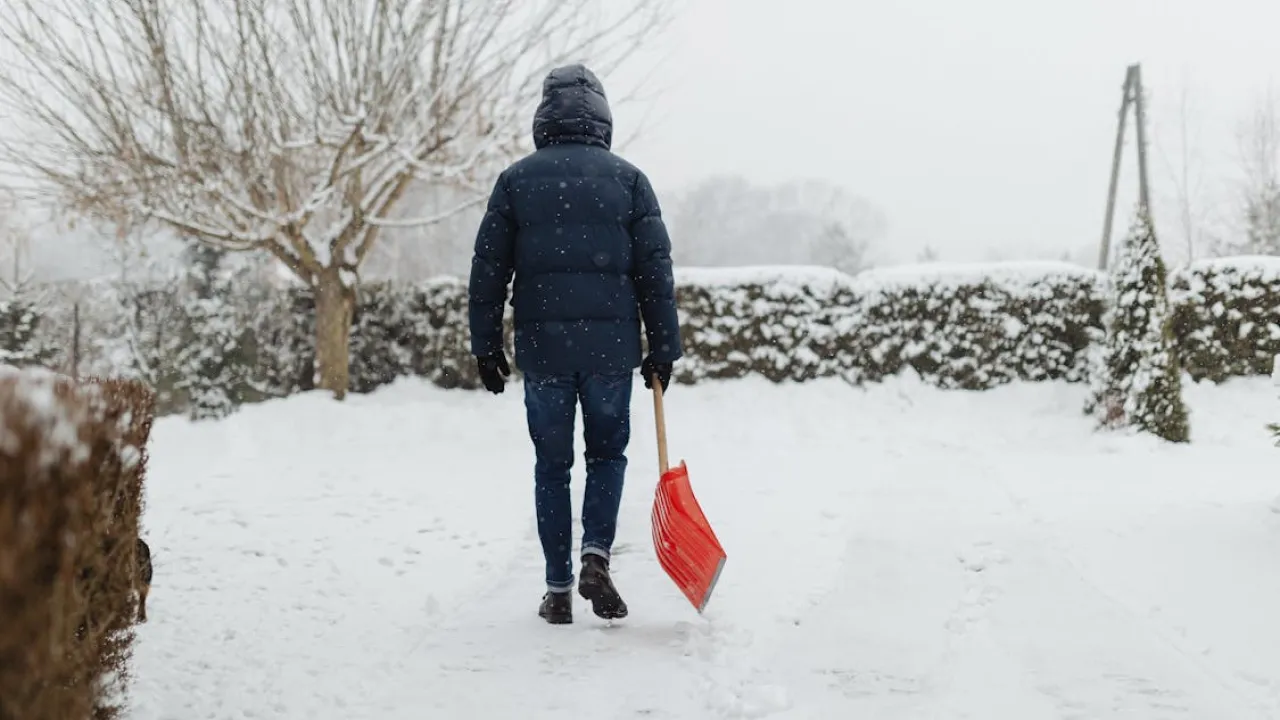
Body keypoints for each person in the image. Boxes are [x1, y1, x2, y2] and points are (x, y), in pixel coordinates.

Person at [467, 64, 682, 624]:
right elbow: (655, 273)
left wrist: (486, 346)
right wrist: (663, 347)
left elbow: (488, 272)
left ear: (544, 114)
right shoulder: (630, 181)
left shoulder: (516, 181)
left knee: (552, 466)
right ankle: (595, 556)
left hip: (545, 350)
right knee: (607, 454)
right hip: (610, 351)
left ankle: (558, 590)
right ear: (603, 117)